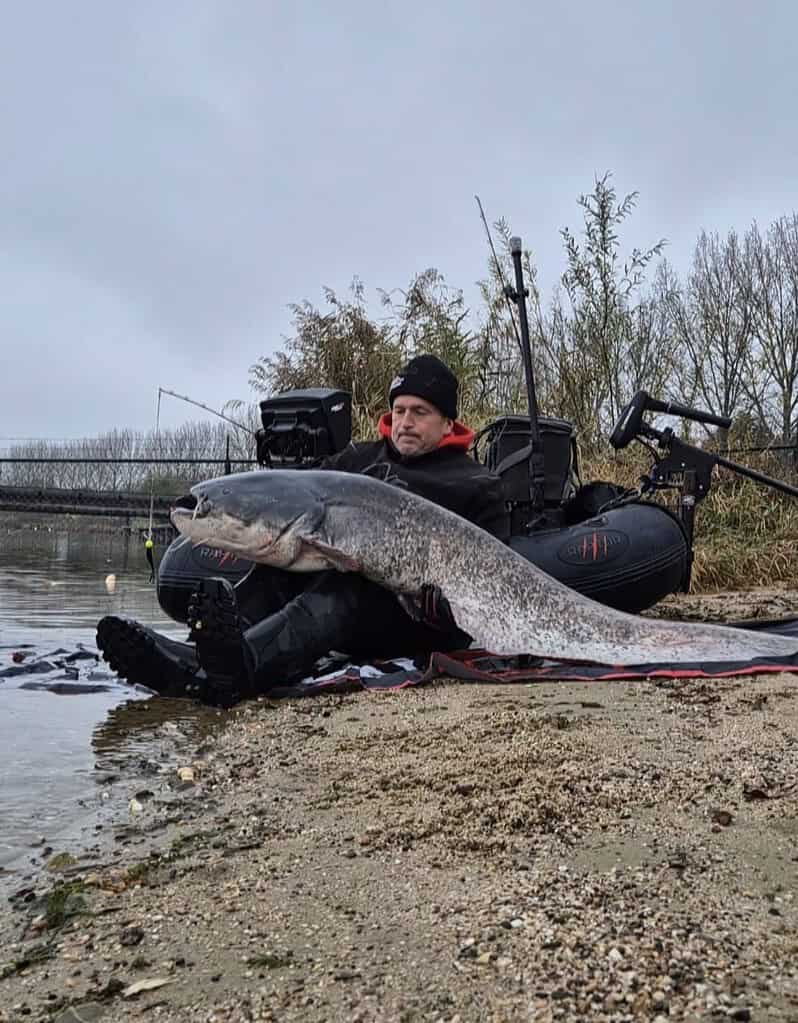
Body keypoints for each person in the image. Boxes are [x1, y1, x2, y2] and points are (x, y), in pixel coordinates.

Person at [97, 355, 509, 706]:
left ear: (447, 422)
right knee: (280, 559)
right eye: (399, 411)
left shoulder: (475, 486)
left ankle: (242, 669)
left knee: (351, 586)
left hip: (411, 620)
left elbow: (495, 569)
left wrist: (444, 605)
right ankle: (206, 654)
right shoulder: (356, 460)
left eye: (419, 412)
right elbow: (299, 500)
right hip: (340, 612)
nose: (405, 423)